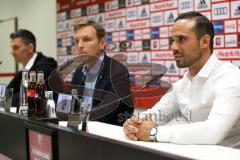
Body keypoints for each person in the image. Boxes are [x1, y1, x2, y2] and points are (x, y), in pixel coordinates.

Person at [123, 11, 240, 147]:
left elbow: (213, 132)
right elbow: (156, 114)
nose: (173, 47)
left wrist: (154, 133)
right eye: (172, 40)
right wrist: (133, 124)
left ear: (205, 41)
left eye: (182, 39)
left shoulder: (230, 77)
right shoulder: (183, 82)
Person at [69, 20, 133, 126]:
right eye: (76, 41)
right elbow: (70, 106)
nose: (80, 45)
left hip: (106, 136)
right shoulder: (79, 71)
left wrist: (78, 118)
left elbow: (110, 113)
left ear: (102, 43)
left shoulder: (117, 72)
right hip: (80, 131)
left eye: (86, 39)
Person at [8, 29, 57, 109]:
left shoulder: (45, 68)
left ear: (30, 48)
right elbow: (9, 91)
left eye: (16, 47)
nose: (12, 52)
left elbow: (25, 97)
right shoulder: (24, 70)